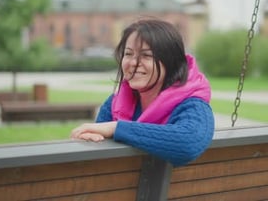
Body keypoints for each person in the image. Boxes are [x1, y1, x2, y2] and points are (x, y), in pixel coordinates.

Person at [70, 18, 214, 166]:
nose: (133, 62)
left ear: (171, 61)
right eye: (128, 54)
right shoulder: (114, 104)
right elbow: (98, 160)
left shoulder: (193, 105)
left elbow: (188, 143)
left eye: (146, 55)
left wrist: (116, 128)